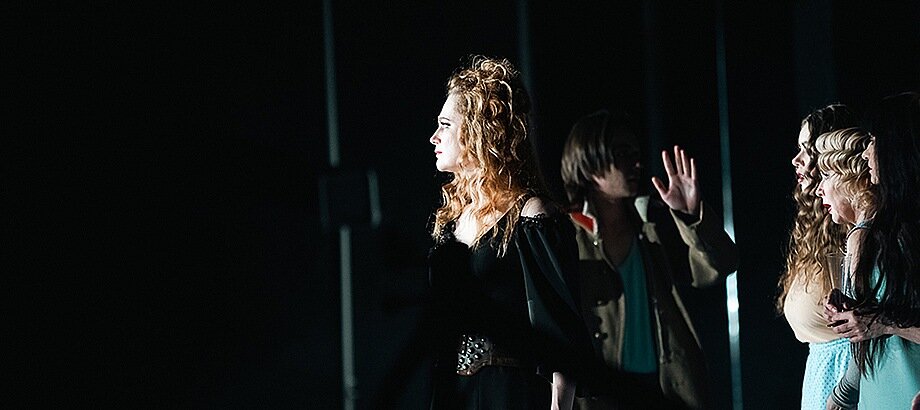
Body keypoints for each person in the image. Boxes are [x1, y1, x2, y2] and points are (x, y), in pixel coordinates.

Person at [426, 56, 593, 410]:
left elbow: (562, 334)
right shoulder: (451, 221)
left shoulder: (531, 216)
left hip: (510, 395)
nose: (433, 137)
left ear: (478, 131)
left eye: (445, 125)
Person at [559, 109, 738, 409]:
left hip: (664, 387)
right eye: (622, 153)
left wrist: (690, 216)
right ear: (588, 163)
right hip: (601, 393)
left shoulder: (652, 221)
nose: (636, 163)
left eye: (636, 153)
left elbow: (722, 265)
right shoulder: (565, 234)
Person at [824, 92, 920, 409]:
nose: (866, 153)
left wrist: (883, 322)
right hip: (876, 393)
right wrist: (855, 311)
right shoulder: (878, 232)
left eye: (874, 141)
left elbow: (882, 322)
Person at [778, 104, 858, 409]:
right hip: (821, 377)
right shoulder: (815, 228)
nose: (796, 160)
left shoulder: (852, 228)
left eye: (806, 149)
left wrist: (844, 392)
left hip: (845, 383)